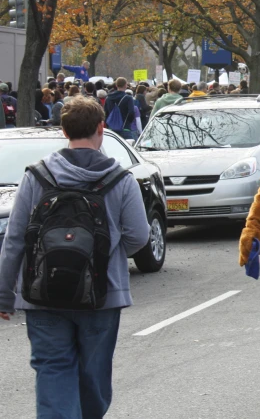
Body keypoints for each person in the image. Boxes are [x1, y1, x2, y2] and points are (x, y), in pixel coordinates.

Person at [0, 96, 149, 417]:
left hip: (42, 295)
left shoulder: (36, 176)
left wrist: (3, 295)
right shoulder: (120, 179)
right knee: (93, 378)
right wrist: (105, 255)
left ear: (63, 130)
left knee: (53, 369)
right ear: (101, 127)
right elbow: (139, 235)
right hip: (101, 296)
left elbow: (15, 238)